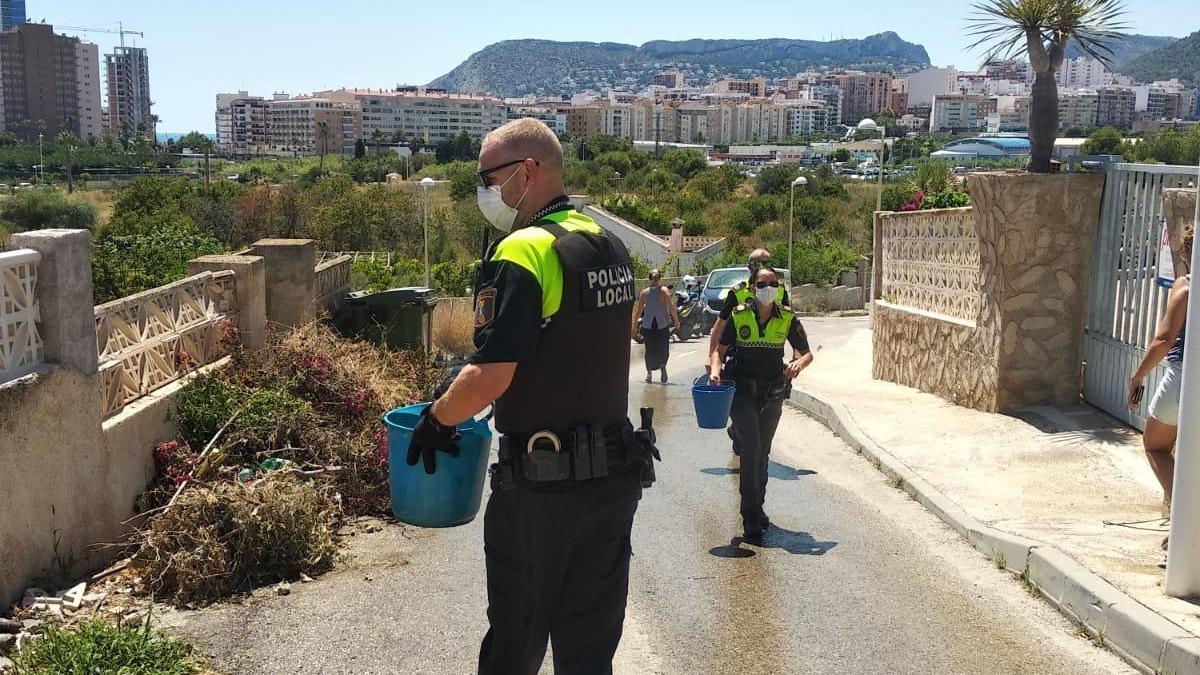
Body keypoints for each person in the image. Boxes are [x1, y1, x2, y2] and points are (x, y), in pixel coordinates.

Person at [404, 118, 659, 675]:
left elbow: (492, 372)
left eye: (487, 176)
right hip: (613, 481)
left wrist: (437, 419)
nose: (483, 189)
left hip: (544, 492)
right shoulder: (608, 245)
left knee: (515, 648)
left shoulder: (524, 251)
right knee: (589, 653)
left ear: (527, 172)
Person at [709, 266, 813, 543]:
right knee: (752, 448)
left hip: (772, 393)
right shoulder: (739, 315)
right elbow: (720, 351)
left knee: (763, 452)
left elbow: (806, 354)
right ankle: (750, 517)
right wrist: (715, 371)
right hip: (741, 391)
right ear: (753, 288)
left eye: (773, 283)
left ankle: (758, 507)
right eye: (763, 283)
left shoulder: (788, 319)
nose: (768, 288)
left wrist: (797, 364)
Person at [1129, 226, 1193, 546]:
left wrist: (1137, 377)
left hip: (1184, 379)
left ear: (1185, 254)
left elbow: (1164, 340)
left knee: (1155, 444)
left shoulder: (1186, 287)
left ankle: (1185, 520)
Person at [707, 249, 791, 455]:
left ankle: (755, 449)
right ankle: (739, 431)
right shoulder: (738, 292)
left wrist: (794, 360)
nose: (762, 267)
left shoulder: (780, 291)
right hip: (739, 353)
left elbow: (788, 322)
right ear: (750, 267)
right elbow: (720, 326)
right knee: (741, 403)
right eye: (759, 263)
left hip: (768, 358)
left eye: (767, 263)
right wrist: (712, 358)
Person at [632, 269, 681, 383]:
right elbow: (671, 307)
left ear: (649, 279)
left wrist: (634, 325)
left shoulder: (645, 293)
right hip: (662, 324)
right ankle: (663, 365)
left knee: (649, 349)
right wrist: (676, 321)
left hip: (648, 324)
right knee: (663, 347)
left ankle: (649, 373)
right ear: (660, 279)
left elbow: (638, 311)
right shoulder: (664, 291)